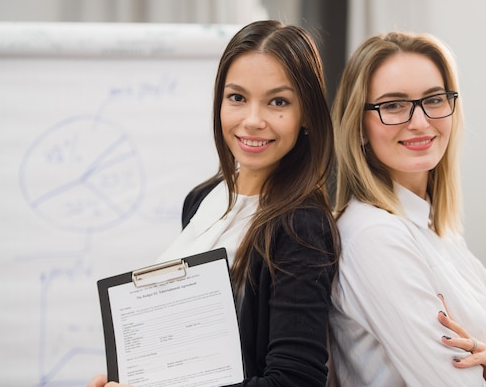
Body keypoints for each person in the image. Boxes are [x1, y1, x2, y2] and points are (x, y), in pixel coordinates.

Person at [88, 19, 340, 387]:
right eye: (237, 98)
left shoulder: (302, 227)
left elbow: (294, 381)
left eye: (278, 102)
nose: (252, 120)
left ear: (306, 115)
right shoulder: (203, 199)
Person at [328, 31, 486, 387]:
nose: (420, 122)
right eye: (393, 105)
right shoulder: (375, 237)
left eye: (434, 99)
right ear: (359, 125)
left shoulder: (433, 228)